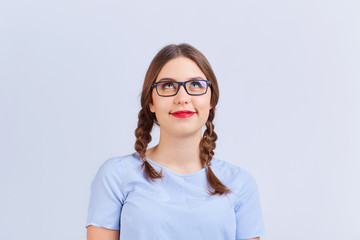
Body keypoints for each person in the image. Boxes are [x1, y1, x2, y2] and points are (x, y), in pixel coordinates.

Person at [86, 43, 265, 240]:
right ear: (151, 101)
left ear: (211, 99)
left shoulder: (240, 184)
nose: (182, 98)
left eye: (195, 85)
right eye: (168, 85)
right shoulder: (115, 176)